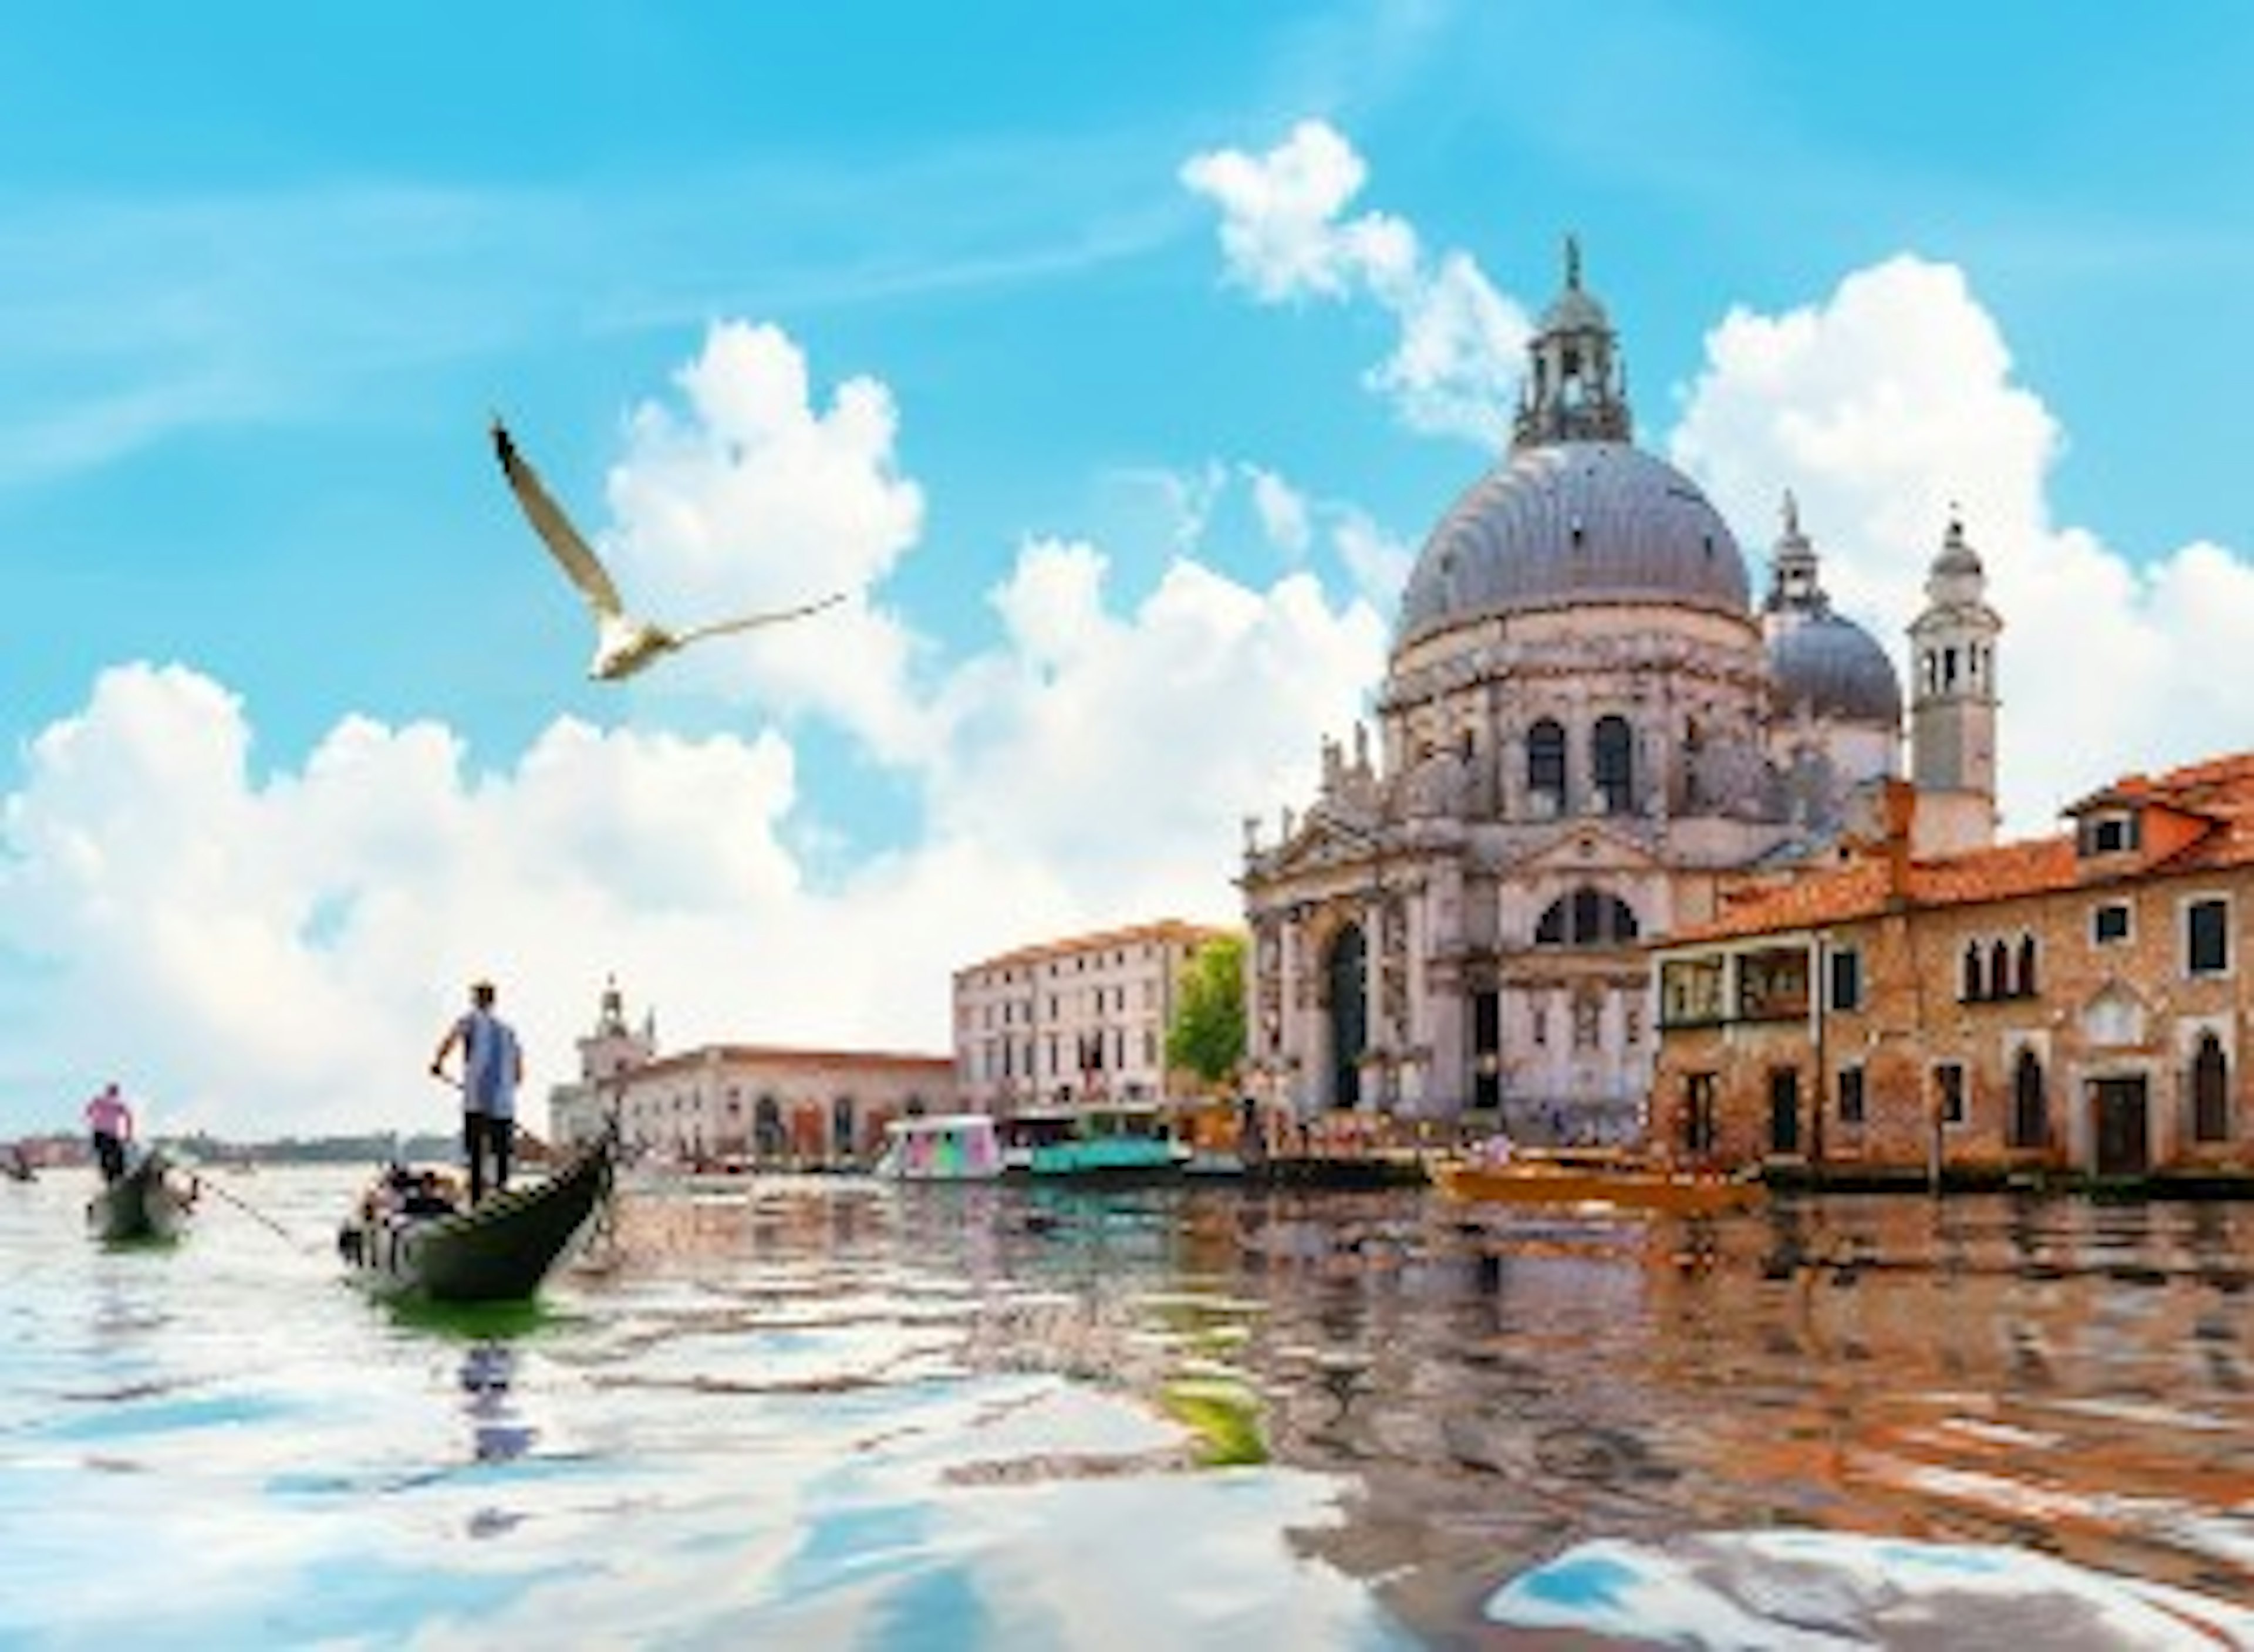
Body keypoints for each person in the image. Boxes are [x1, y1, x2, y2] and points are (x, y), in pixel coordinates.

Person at [429, 979, 523, 1204]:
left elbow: (449, 1042)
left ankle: (477, 1201)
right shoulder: (509, 1031)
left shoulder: (469, 1021)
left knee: (477, 1154)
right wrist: (508, 1091)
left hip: (477, 1101)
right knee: (502, 1155)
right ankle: (501, 1193)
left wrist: (438, 1064)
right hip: (504, 1104)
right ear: (493, 1001)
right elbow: (519, 1071)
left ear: (475, 999)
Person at [83, 1081, 134, 1184]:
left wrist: (93, 1118)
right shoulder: (117, 1103)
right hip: (106, 1134)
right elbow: (129, 1117)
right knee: (114, 1155)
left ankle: (111, 1177)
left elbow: (88, 1111)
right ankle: (115, 1177)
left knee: (109, 1155)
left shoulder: (100, 1100)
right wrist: (129, 1134)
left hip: (101, 1133)